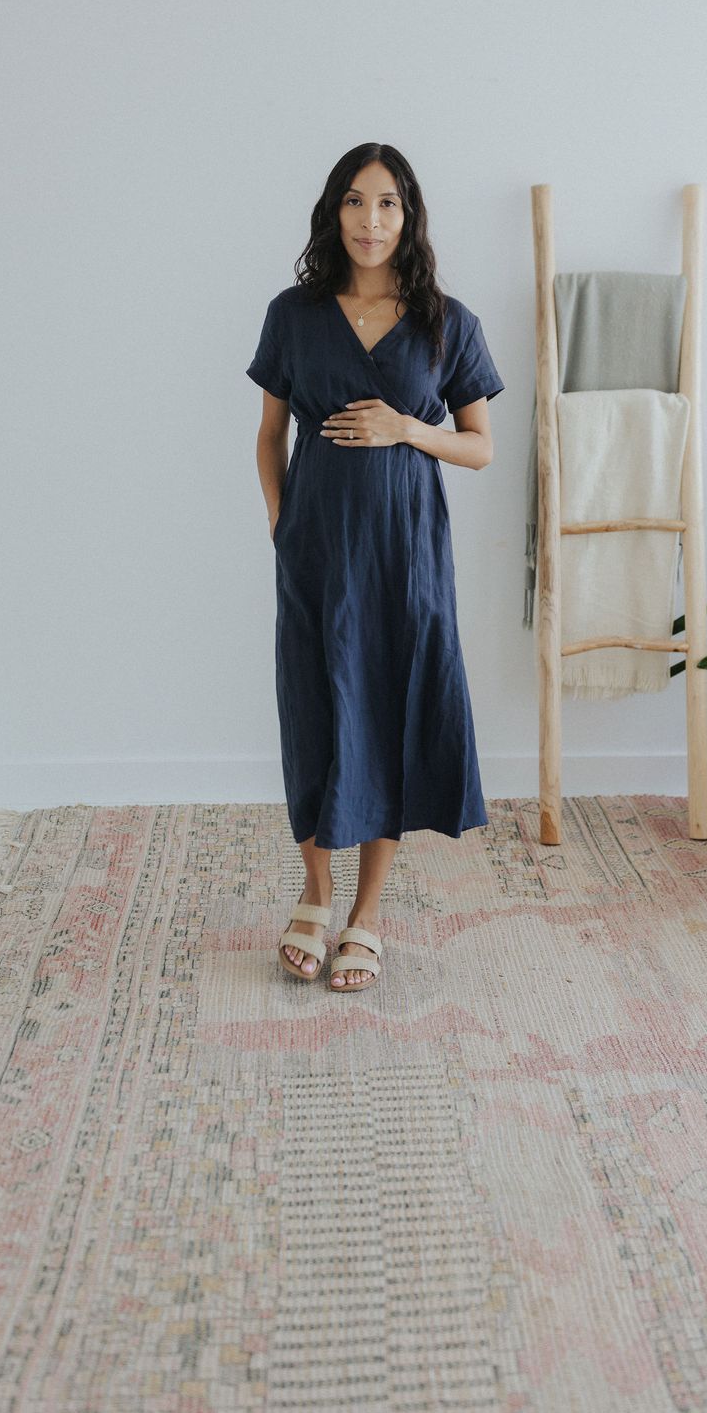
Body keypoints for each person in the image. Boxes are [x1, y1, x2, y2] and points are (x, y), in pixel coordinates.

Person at [246, 142, 505, 991]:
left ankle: (367, 914)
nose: (370, 220)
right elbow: (268, 435)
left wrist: (408, 430)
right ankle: (315, 893)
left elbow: (479, 448)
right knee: (315, 706)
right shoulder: (294, 313)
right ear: (334, 212)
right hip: (315, 551)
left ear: (409, 215)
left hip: (405, 554)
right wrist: (285, 530)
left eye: (387, 203)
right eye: (355, 203)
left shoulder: (445, 320)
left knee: (391, 709)